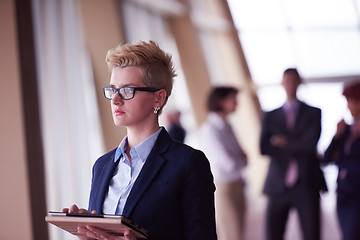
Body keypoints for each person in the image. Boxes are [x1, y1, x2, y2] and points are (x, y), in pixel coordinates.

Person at [62, 41, 217, 240]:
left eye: (127, 90)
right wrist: (89, 233)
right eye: (113, 90)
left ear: (158, 99)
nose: (116, 100)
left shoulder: (188, 163)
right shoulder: (101, 166)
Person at [260, 68, 327, 240]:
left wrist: (283, 142)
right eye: (286, 80)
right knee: (273, 235)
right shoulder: (270, 115)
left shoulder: (314, 112)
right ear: (282, 83)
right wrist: (299, 142)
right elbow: (263, 148)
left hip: (307, 183)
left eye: (293, 80)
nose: (290, 84)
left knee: (312, 234)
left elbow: (311, 144)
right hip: (277, 185)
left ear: (299, 83)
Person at [199, 86, 247, 240]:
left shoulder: (227, 126)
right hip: (224, 188)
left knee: (239, 233)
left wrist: (240, 159)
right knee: (231, 235)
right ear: (221, 101)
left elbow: (244, 158)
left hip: (238, 183)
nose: (236, 103)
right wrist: (240, 159)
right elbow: (229, 163)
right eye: (233, 99)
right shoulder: (210, 129)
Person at [323, 80, 360, 240]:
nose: (348, 107)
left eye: (350, 102)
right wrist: (336, 136)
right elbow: (326, 159)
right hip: (343, 193)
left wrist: (341, 161)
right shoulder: (346, 131)